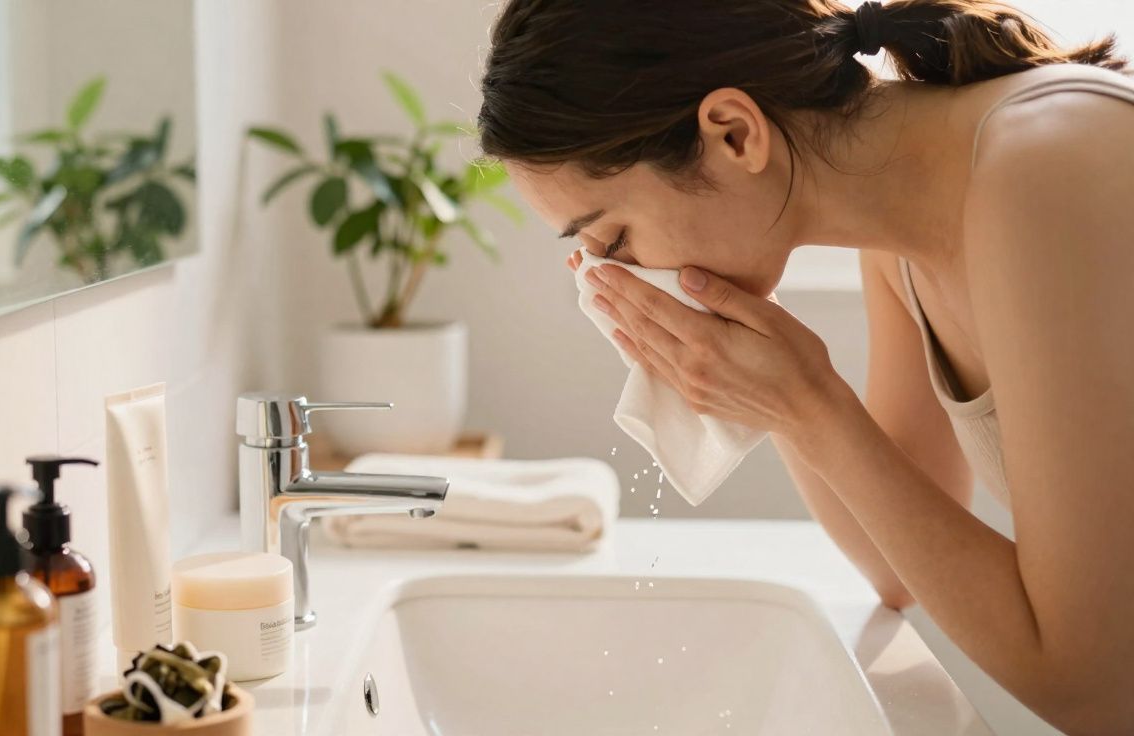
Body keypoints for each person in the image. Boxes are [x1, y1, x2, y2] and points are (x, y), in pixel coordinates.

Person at [477, 1, 1134, 732]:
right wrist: (773, 388)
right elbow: (896, 572)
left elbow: (1095, 685)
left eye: (614, 240)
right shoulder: (900, 227)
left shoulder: (1043, 169)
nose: (614, 279)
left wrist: (811, 404)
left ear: (734, 133)